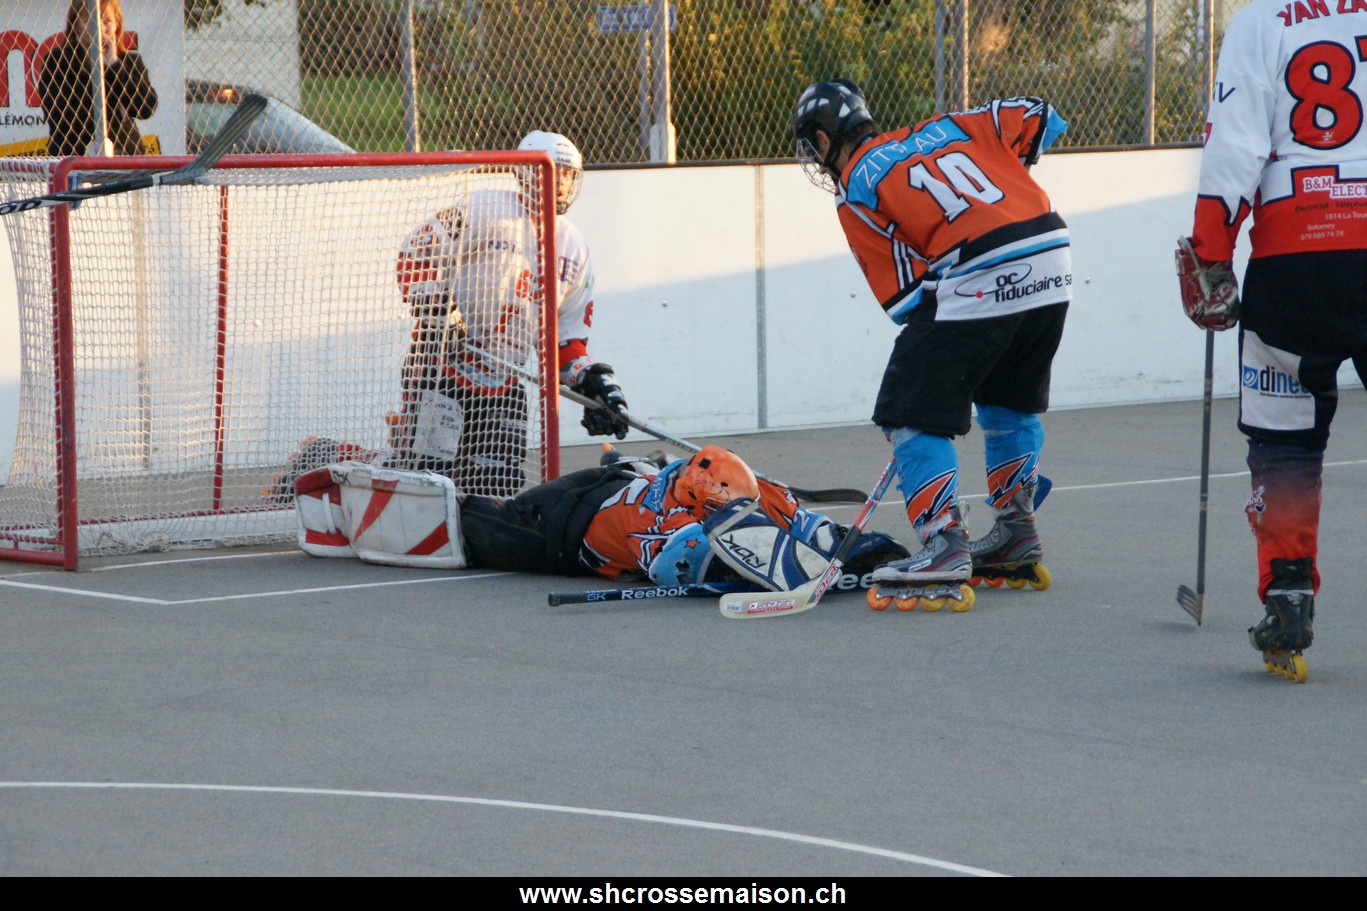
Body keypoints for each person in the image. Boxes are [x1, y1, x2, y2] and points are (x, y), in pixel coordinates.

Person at [790, 79, 1071, 594]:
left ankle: (943, 541)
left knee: (908, 408)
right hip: (1052, 259)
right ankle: (1015, 529)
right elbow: (1041, 114)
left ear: (824, 140)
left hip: (983, 268)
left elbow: (909, 302)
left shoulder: (856, 184)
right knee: (1007, 399)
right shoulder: (954, 123)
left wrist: (922, 396)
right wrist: (1001, 186)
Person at [1176, 1, 1367, 676]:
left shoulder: (1265, 17)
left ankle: (1288, 597)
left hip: (1297, 250)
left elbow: (1234, 145)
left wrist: (1210, 254)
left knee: (1285, 438)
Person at [392, 130, 629, 498]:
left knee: (495, 487)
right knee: (428, 482)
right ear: (525, 171)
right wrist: (437, 307)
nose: (562, 182)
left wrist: (594, 383)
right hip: (441, 369)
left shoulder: (574, 247)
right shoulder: (483, 207)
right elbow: (414, 255)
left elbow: (566, 343)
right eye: (555, 171)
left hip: (505, 383)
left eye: (569, 174)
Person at [456, 444, 909, 588]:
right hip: (564, 524)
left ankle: (629, 460)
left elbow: (803, 522)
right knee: (481, 529)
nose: (743, 513)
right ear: (695, 504)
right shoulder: (651, 516)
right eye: (725, 512)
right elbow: (680, 568)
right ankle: (449, 499)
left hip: (624, 479)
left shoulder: (750, 485)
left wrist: (848, 548)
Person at [38, 0, 160, 157]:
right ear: (75, 26)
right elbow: (62, 116)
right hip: (74, 157)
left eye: (107, 21)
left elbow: (146, 108)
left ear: (117, 26)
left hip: (123, 156)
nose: (99, 28)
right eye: (89, 20)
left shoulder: (129, 62)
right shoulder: (57, 61)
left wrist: (113, 67)